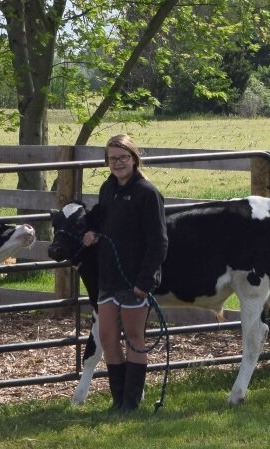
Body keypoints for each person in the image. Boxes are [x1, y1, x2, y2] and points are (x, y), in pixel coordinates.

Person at [82, 134, 168, 411]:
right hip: (108, 277)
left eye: (122, 157)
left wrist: (146, 280)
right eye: (112, 158)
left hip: (134, 280)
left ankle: (131, 403)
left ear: (134, 158)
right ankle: (118, 399)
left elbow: (159, 241)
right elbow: (102, 218)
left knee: (134, 338)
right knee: (107, 338)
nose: (117, 163)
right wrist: (91, 232)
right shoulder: (108, 189)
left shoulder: (147, 193)